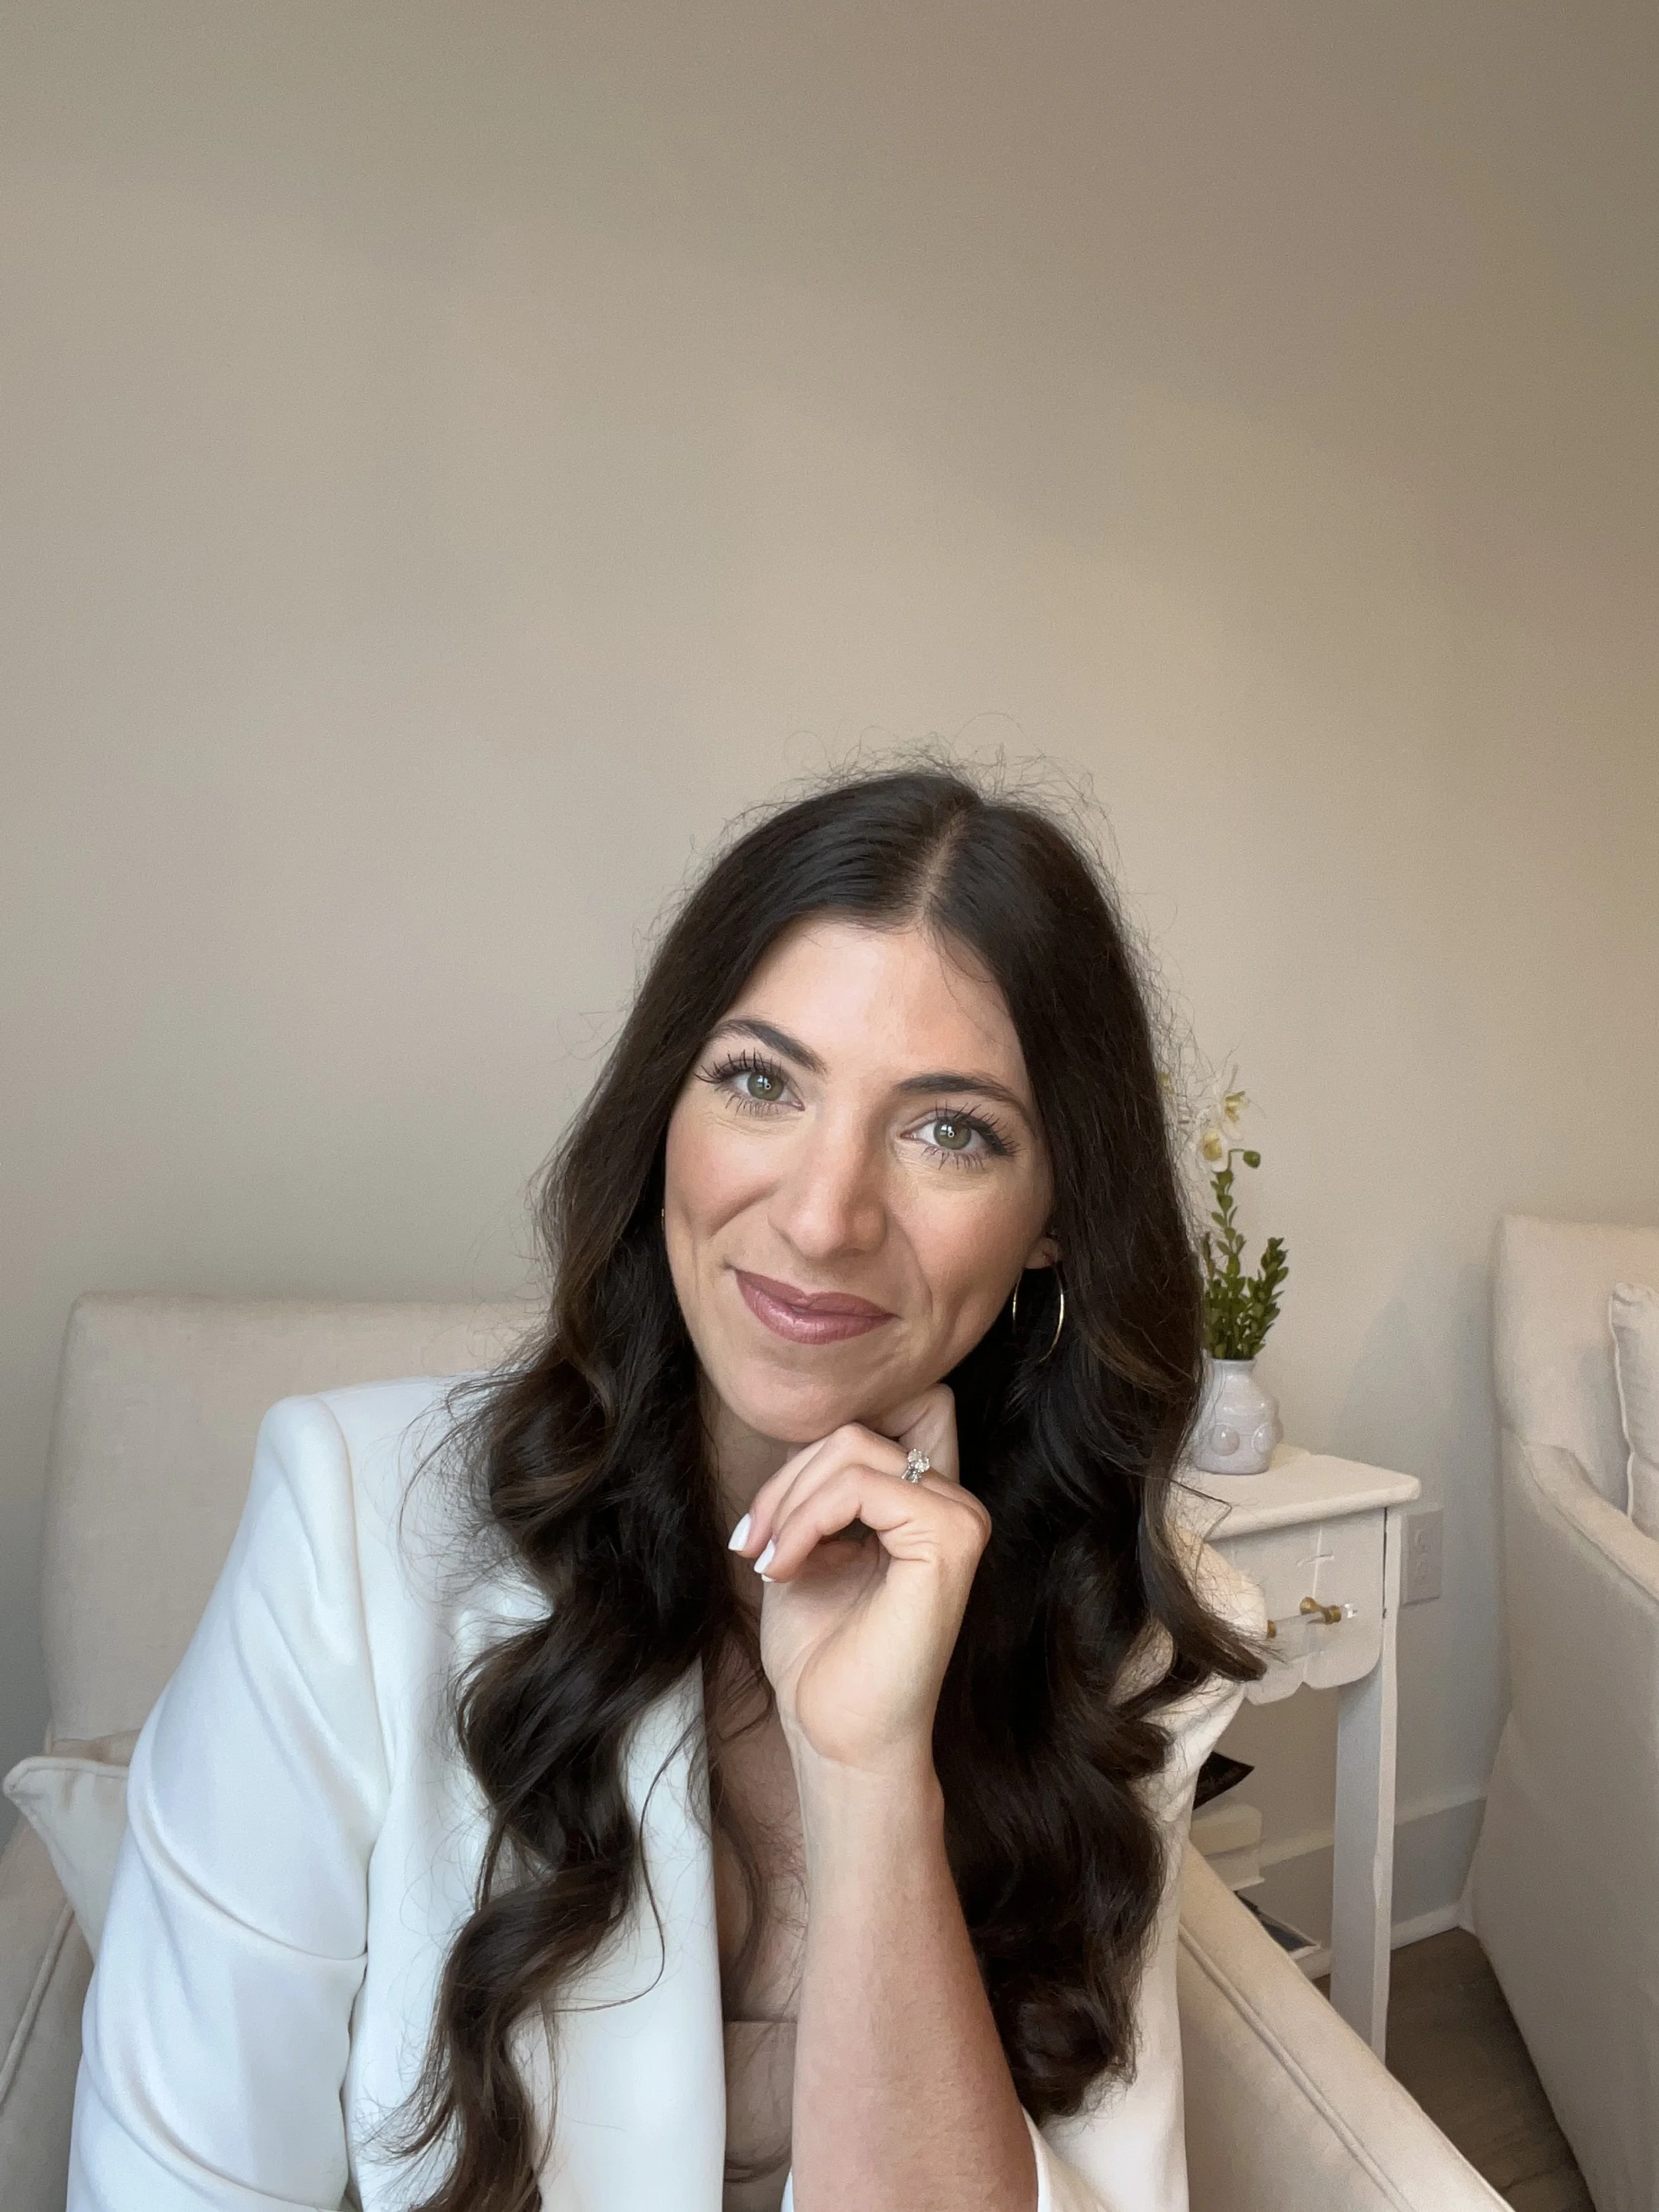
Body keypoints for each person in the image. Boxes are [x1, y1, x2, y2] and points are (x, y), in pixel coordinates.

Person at [69, 766, 1265, 2212]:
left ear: (1056, 1223)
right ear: (663, 1114)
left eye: (949, 1129)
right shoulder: (348, 1525)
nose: (823, 1217)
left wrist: (868, 1777)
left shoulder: (1117, 1626)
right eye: (759, 1080)